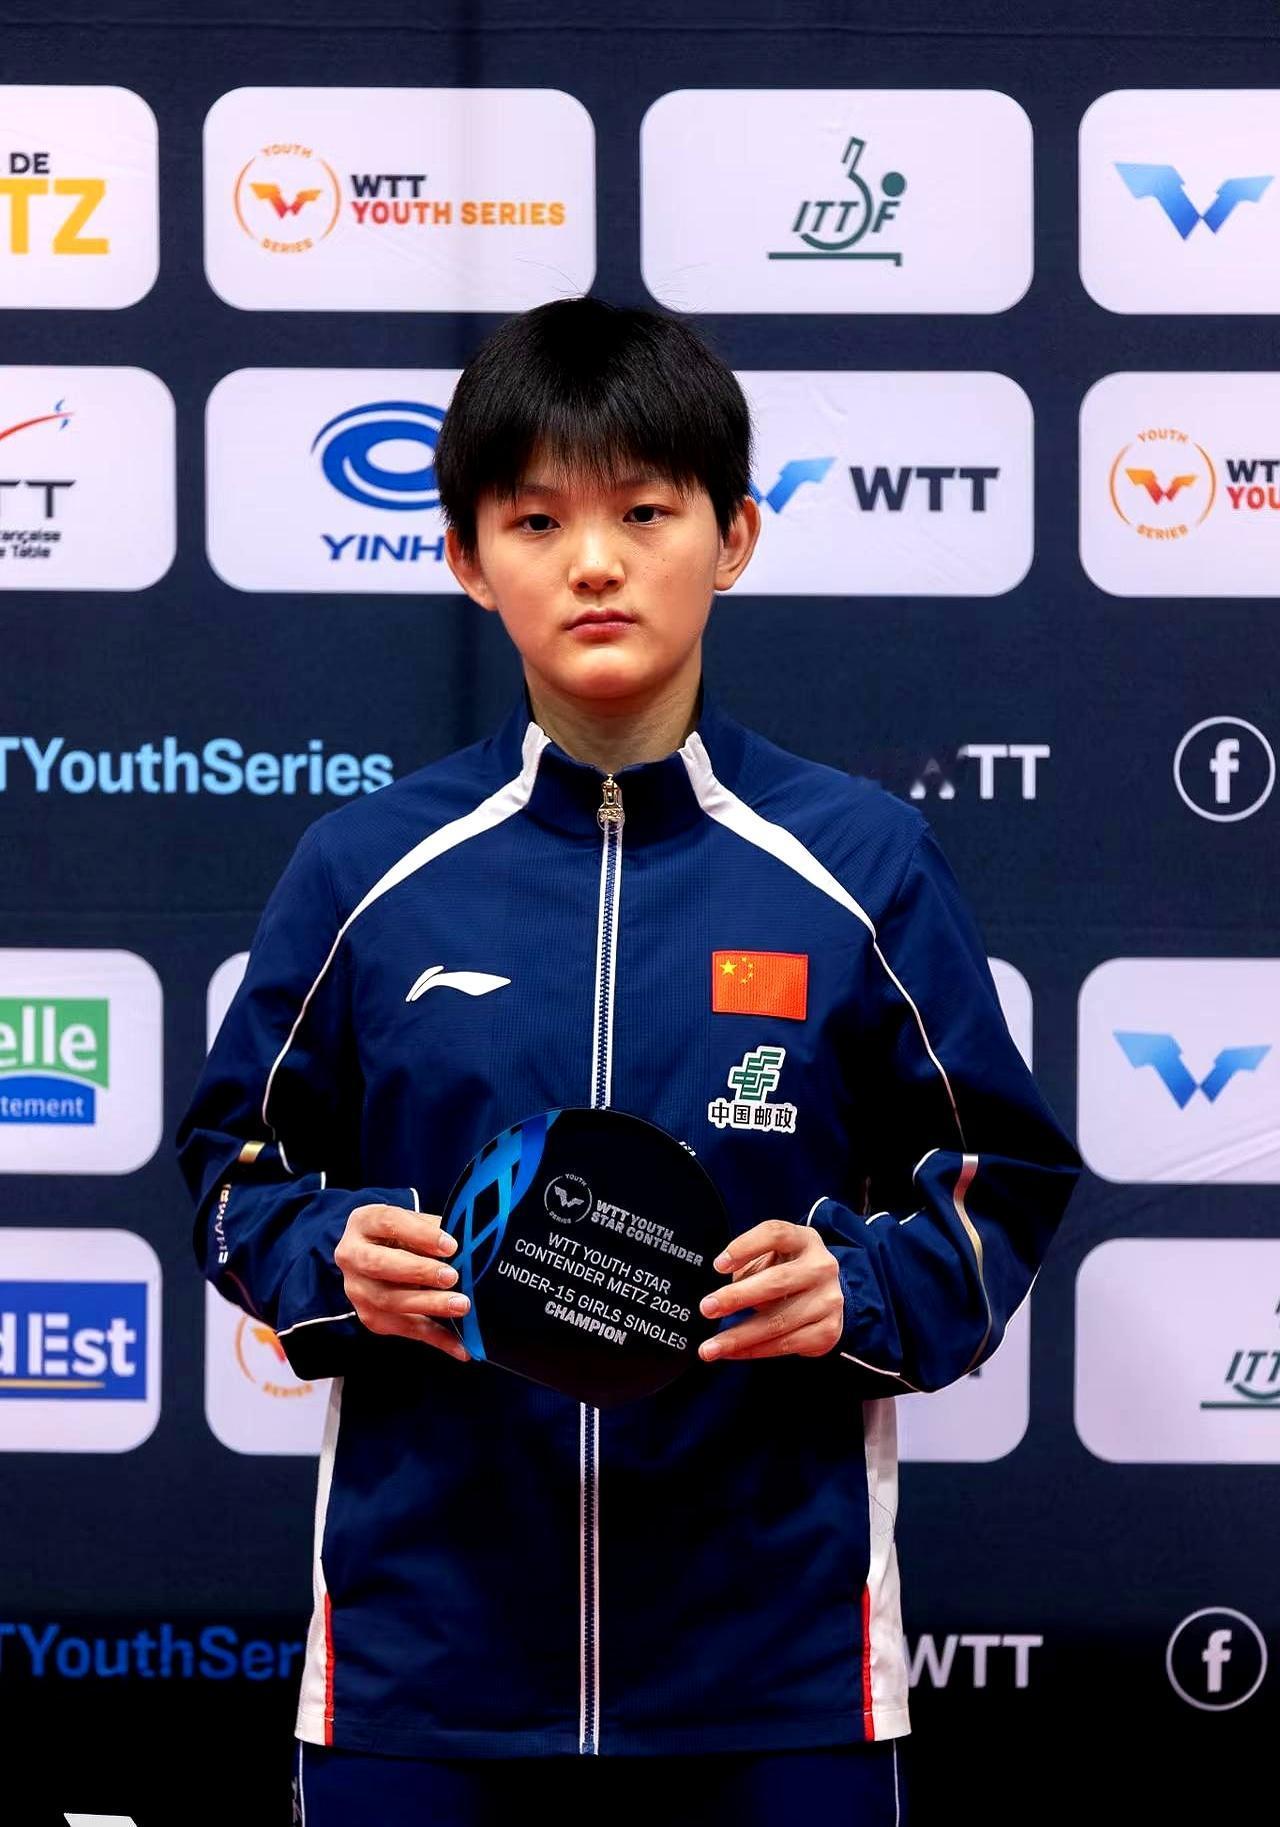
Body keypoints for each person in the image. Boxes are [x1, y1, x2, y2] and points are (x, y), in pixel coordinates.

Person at [176, 295, 1081, 1826]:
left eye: (644, 512)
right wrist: (329, 1254)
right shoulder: (365, 869)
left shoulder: (863, 862)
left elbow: (1002, 1176)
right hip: (423, 1674)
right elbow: (230, 1169)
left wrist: (860, 1288)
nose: (593, 562)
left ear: (734, 537)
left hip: (779, 1677)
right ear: (469, 560)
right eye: (537, 520)